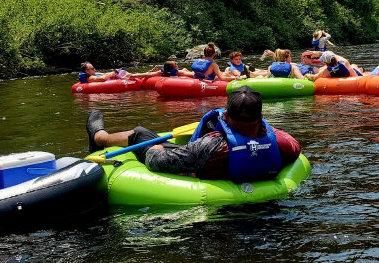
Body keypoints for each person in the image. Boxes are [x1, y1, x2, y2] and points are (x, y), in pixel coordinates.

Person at [86, 86, 302, 183]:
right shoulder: (283, 145)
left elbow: (157, 162)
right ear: (261, 116)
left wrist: (155, 149)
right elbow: (290, 143)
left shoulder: (211, 145)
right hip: (257, 205)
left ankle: (99, 138)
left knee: (141, 133)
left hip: (202, 176)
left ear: (225, 115)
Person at [126, 61, 193, 79]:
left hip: (163, 75)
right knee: (185, 69)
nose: (177, 65)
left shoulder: (162, 72)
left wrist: (132, 75)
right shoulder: (179, 72)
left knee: (184, 69)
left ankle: (152, 70)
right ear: (173, 68)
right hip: (179, 76)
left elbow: (147, 74)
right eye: (176, 64)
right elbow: (193, 74)